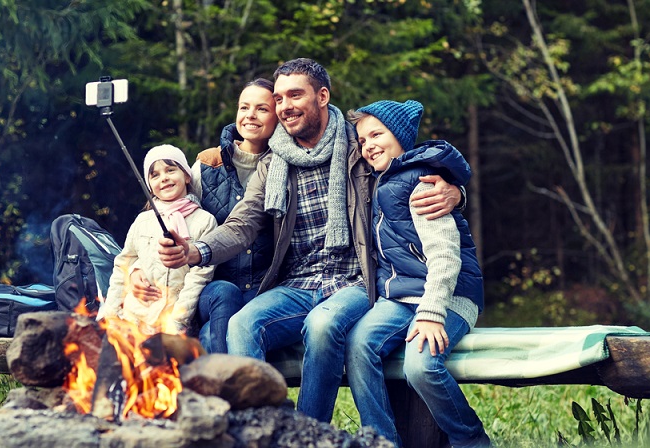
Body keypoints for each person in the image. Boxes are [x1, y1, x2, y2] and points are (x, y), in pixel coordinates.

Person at [157, 58, 463, 423]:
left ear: (322, 96)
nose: (285, 106)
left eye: (295, 95)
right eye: (280, 98)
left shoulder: (357, 146)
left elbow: (410, 164)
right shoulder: (274, 163)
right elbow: (243, 223)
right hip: (299, 282)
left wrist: (456, 189)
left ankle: (308, 431)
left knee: (321, 326)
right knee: (241, 324)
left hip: (356, 280)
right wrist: (195, 250)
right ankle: (265, 428)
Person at [345, 100, 489, 447]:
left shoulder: (423, 184)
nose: (368, 146)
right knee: (358, 345)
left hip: (447, 298)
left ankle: (471, 440)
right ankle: (381, 441)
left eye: (377, 134)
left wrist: (430, 314)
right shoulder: (382, 181)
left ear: (400, 136)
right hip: (400, 298)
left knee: (420, 367)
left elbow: (445, 257)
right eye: (362, 140)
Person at [127, 79, 277, 352]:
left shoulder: (284, 167)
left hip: (264, 288)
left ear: (278, 115)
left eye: (262, 109)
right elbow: (165, 213)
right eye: (244, 107)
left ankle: (224, 388)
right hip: (211, 288)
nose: (250, 115)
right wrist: (135, 270)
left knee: (211, 337)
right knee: (223, 295)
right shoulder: (208, 164)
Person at [98, 144, 217, 335]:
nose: (164, 178)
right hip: (133, 318)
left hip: (171, 323)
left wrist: (177, 321)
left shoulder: (205, 221)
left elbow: (200, 276)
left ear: (186, 176)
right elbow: (123, 264)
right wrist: (111, 315)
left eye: (171, 170)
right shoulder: (143, 220)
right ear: (150, 187)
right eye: (155, 175)